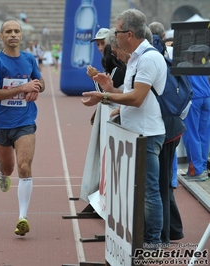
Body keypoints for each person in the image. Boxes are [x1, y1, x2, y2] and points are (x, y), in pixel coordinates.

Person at [81, 9, 167, 249]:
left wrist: (105, 95)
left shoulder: (148, 58)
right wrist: (109, 88)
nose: (114, 37)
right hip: (135, 132)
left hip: (147, 133)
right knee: (136, 188)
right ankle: (138, 235)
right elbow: (127, 94)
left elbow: (137, 99)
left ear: (129, 34)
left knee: (149, 190)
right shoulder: (135, 58)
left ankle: (153, 241)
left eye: (117, 32)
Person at [0, 20, 45, 237]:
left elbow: (40, 81)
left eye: (16, 31)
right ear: (1, 36)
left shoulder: (29, 59)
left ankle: (22, 217)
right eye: (8, 31)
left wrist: (36, 88)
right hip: (0, 123)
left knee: (24, 167)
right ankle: (2, 170)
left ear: (21, 36)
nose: (13, 34)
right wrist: (22, 87)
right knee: (9, 169)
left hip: (25, 121)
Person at [150, 33, 184, 245]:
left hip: (165, 131)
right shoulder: (167, 63)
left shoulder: (155, 65)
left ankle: (163, 236)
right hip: (172, 128)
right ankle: (174, 229)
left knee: (160, 186)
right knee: (163, 185)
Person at [183, 75, 210, 182]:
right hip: (207, 95)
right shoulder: (200, 58)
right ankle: (202, 168)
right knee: (204, 135)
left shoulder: (181, 59)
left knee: (191, 134)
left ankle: (196, 170)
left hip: (193, 96)